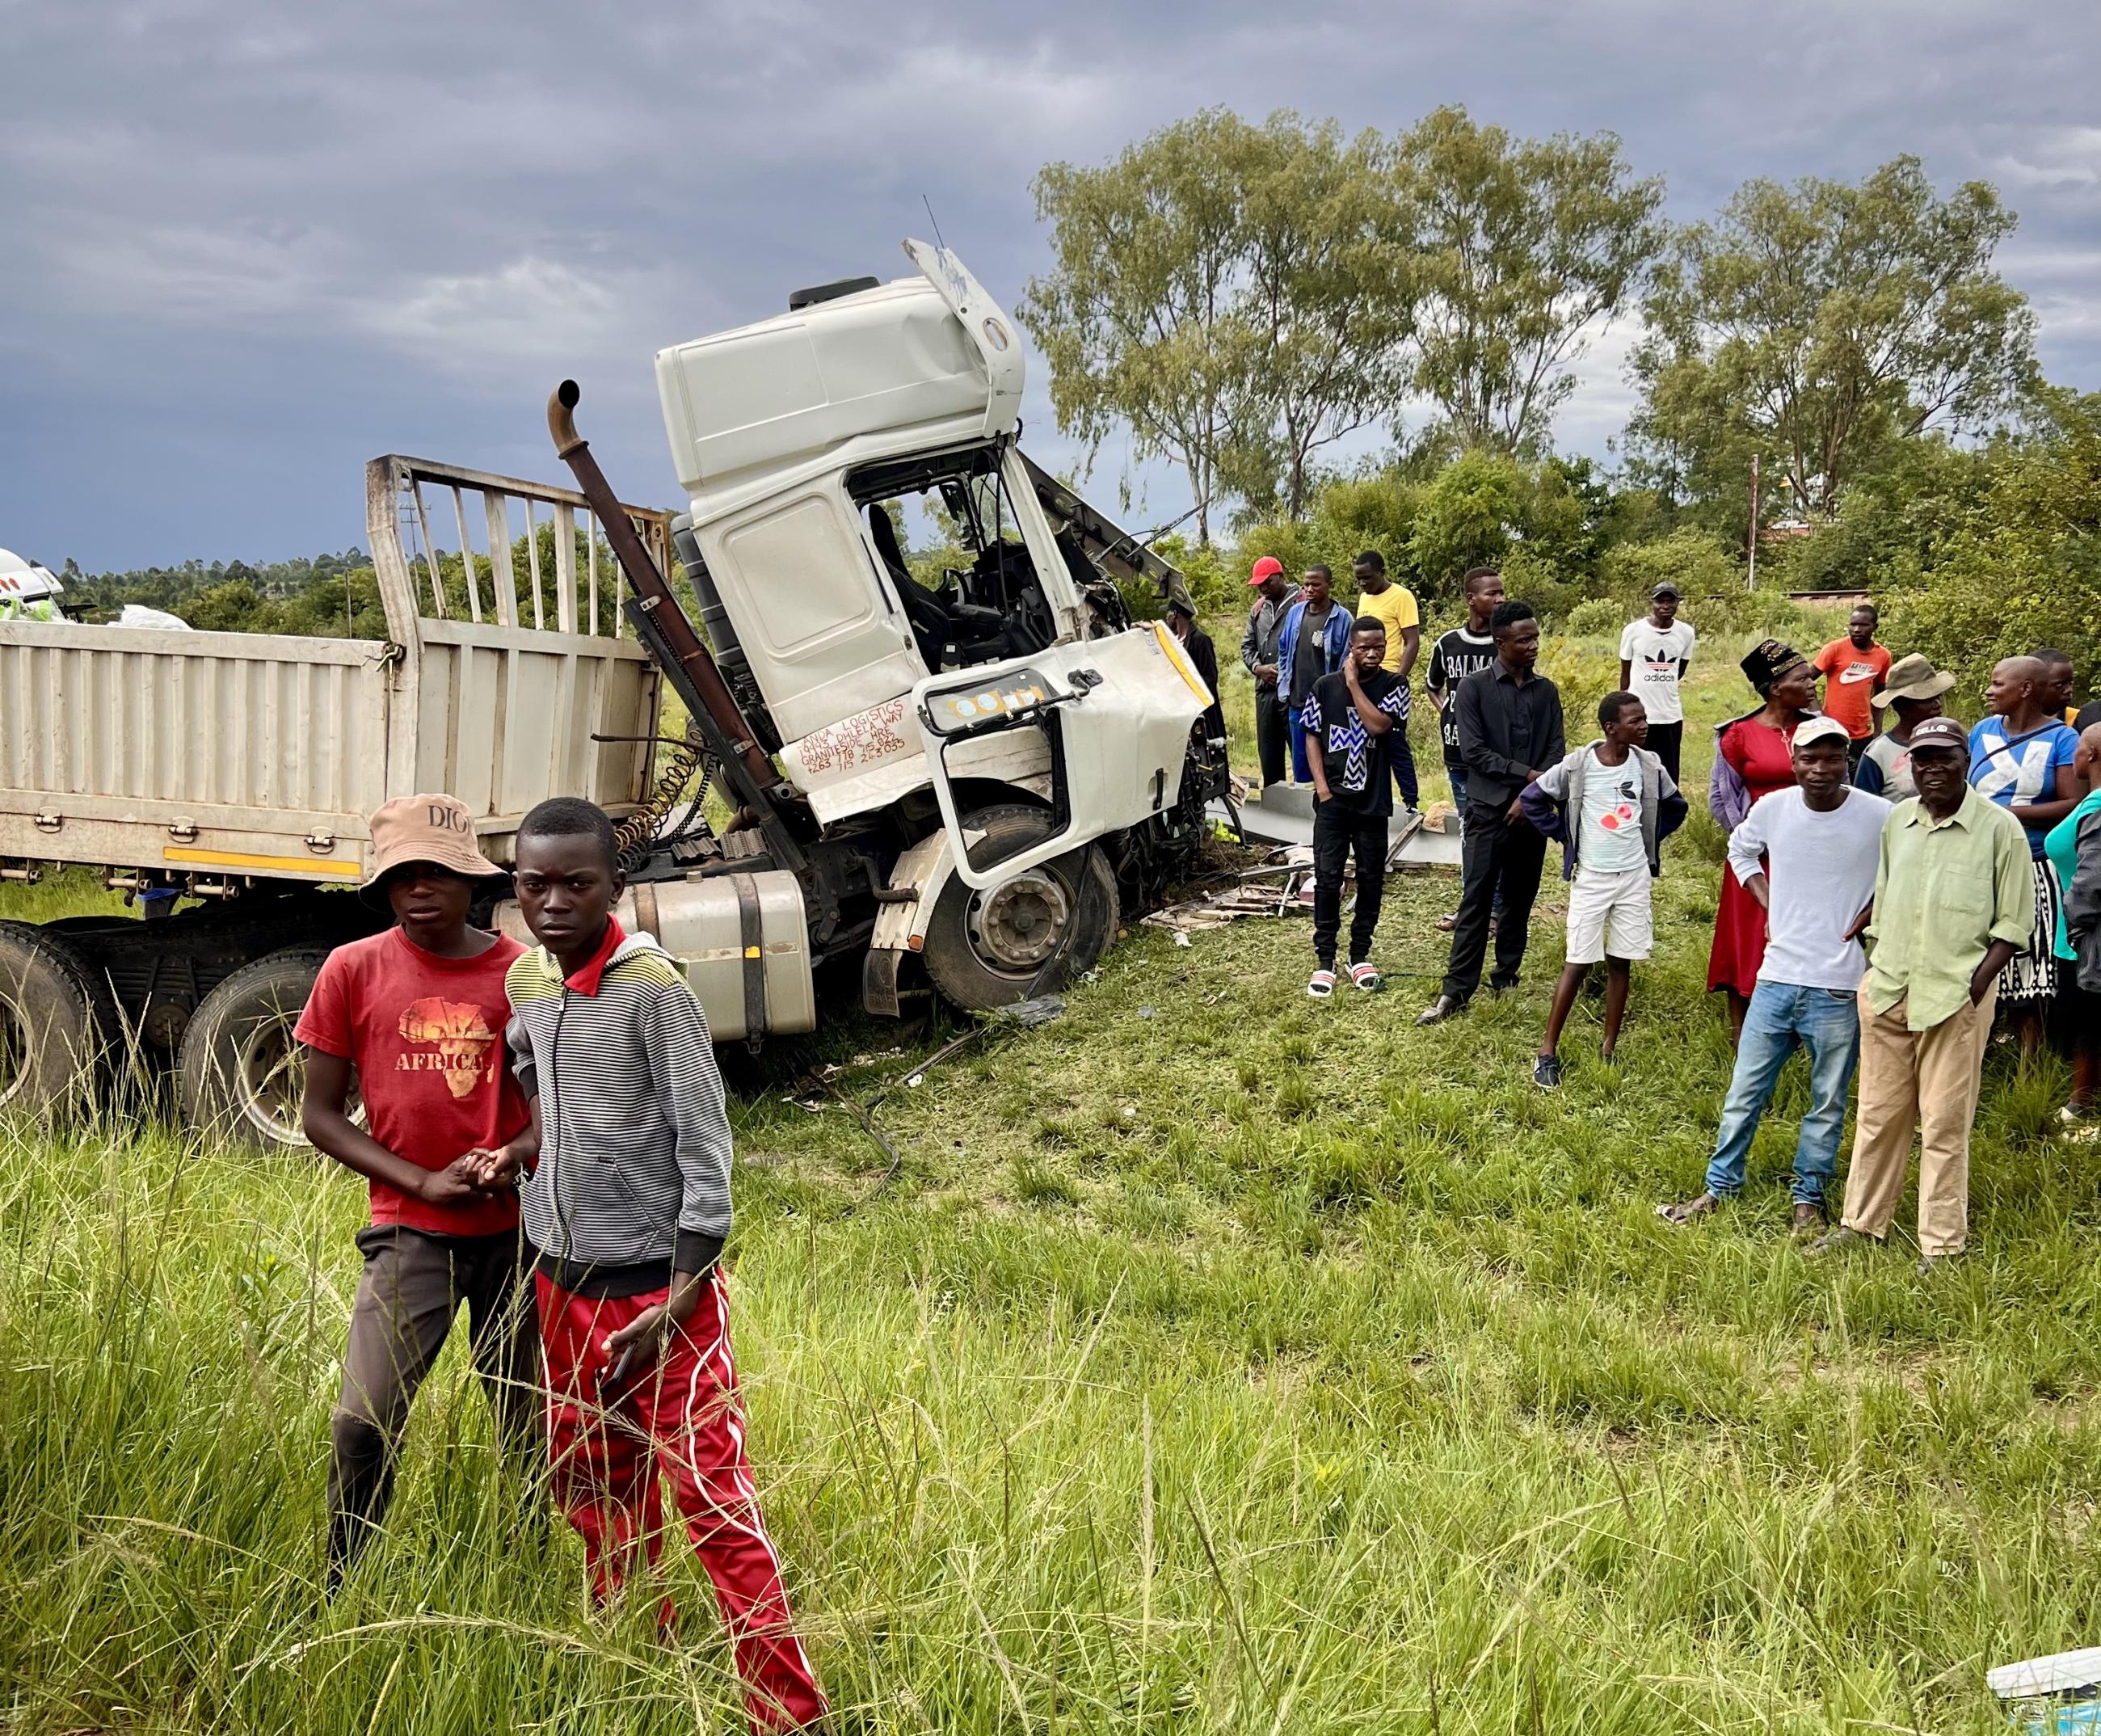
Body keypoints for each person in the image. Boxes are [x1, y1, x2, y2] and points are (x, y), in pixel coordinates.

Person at [482, 798, 827, 1733]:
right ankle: (639, 1647)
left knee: (711, 1498)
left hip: (660, 1298)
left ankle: (787, 1712)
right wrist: (529, 1153)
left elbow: (705, 1153)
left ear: (615, 889)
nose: (552, 902)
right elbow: (533, 1069)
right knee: (594, 1480)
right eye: (532, 884)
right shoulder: (527, 987)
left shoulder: (655, 988)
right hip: (561, 1282)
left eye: (575, 884)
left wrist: (680, 1300)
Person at [294, 794, 537, 1588]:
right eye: (402, 875)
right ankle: (344, 1581)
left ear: (473, 879)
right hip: (409, 1232)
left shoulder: (521, 976)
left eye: (437, 871)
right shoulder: (352, 969)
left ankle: (530, 1569)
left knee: (527, 1422)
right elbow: (321, 1117)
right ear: (384, 887)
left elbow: (558, 1110)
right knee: (362, 1421)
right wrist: (424, 1182)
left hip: (518, 1235)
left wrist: (508, 1156)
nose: (419, 888)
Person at [1808, 717, 2034, 1272]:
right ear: (1910, 764)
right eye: (1923, 759)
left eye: (1945, 759)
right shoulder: (1899, 822)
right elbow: (1884, 902)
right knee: (1879, 1116)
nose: (1933, 769)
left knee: (1943, 1124)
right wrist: (1874, 968)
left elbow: (2014, 926)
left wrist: (1975, 987)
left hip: (1955, 999)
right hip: (1888, 990)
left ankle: (1940, 1243)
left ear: (1967, 762)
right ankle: (1862, 1225)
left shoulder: (1999, 829)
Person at [1657, 718, 1890, 1235]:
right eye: (1809, 758)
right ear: (1795, 762)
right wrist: (1765, 897)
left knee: (1826, 1101)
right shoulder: (1773, 808)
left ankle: (1807, 1199)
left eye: (1832, 758)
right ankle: (1719, 1187)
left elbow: (1907, 868)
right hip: (1776, 977)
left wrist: (1876, 907)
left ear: (1847, 760)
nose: (1820, 769)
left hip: (1839, 984)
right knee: (1745, 1091)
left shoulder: (1879, 815)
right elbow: (1740, 850)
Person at [1521, 691, 1686, 1085]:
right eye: (1635, 721)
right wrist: (1564, 835)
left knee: (1620, 960)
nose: (1644, 725)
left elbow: (1675, 806)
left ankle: (1609, 1046)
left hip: (1633, 877)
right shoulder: (1579, 766)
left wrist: (1650, 840)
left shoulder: (1649, 765)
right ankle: (1547, 1052)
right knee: (1577, 962)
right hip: (1593, 878)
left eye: (1645, 718)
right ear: (1611, 728)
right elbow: (1533, 798)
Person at [1418, 600, 1564, 1025]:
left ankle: (1506, 976)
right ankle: (1456, 991)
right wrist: (1527, 780)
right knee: (1477, 899)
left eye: (1536, 637)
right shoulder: (1473, 689)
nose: (1534, 645)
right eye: (1524, 639)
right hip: (1487, 812)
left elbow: (1558, 751)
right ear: (1501, 643)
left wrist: (1532, 793)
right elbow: (1474, 753)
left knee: (1520, 898)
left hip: (1532, 812)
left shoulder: (1546, 692)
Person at [1708, 640, 1821, 1046]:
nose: (1811, 683)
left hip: (1812, 853)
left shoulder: (1818, 729)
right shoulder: (1738, 735)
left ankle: (1801, 1028)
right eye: (1801, 678)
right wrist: (1755, 839)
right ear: (1775, 688)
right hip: (1759, 857)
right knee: (1750, 940)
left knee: (1806, 938)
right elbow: (1721, 799)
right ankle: (1745, 1034)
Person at [1968, 655, 2080, 1057]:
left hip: (2032, 863)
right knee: (1977, 954)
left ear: (2026, 689)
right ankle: (1979, 1053)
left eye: (1999, 684)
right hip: (1978, 862)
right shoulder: (1981, 731)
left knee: (2029, 964)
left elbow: (2073, 803)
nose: (1990, 691)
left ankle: (2029, 1068)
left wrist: (2003, 815)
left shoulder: (2062, 739)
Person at [1301, 618, 1409, 997]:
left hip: (1373, 802)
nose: (1372, 653)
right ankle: (1325, 960)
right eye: (1364, 647)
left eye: (1379, 646)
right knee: (1328, 878)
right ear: (1350, 647)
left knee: (1371, 878)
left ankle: (1359, 955)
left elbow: (1380, 725)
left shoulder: (1395, 686)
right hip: (1333, 801)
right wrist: (1323, 790)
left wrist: (1352, 684)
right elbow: (1311, 737)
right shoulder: (1323, 687)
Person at [1425, 566, 1506, 931]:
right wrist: (1449, 713)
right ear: (1471, 599)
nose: (1500, 599)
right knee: (1470, 833)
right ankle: (1474, 909)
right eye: (1492, 593)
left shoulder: (1505, 642)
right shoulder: (1448, 644)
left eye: (1502, 593)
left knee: (1496, 833)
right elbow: (1433, 685)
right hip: (1458, 755)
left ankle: (1495, 911)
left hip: (1496, 757)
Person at [2044, 722, 2101, 1134]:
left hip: (2089, 937)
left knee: (2092, 1024)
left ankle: (2082, 1108)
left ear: (2093, 755)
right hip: (2078, 938)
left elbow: (2094, 879)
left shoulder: (2098, 807)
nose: (2074, 755)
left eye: (2079, 747)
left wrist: (2077, 927)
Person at [1350, 550, 1421, 813]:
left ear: (1382, 572)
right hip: (1366, 679)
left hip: (1389, 678)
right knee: (1364, 742)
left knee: (1394, 741)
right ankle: (1369, 798)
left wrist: (1397, 681)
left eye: (1367, 578)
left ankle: (1411, 802)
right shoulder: (1364, 598)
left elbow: (1412, 641)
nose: (1363, 584)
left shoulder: (1402, 597)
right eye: (1359, 579)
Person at [1616, 583, 1696, 785]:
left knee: (1667, 776)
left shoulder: (1686, 633)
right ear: (1652, 603)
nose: (1665, 606)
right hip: (1639, 715)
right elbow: (1625, 673)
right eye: (1660, 601)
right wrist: (1622, 708)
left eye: (1671, 601)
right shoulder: (1634, 631)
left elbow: (1678, 670)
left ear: (1678, 603)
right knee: (1635, 772)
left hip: (1669, 715)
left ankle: (1666, 815)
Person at [1278, 566, 1352, 783]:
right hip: (1298, 701)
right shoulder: (1295, 613)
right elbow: (1284, 649)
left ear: (1329, 584)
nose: (1310, 589)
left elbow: (1347, 659)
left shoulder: (1342, 618)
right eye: (1306, 584)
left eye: (1316, 584)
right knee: (1301, 763)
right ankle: (1304, 811)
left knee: (1330, 761)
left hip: (1327, 705)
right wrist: (1284, 684)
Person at [1854, 653, 1956, 801]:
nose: (1938, 704)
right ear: (1901, 706)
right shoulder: (1879, 754)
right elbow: (1864, 807)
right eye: (1927, 699)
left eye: (1938, 696)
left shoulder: (1953, 740)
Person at [1813, 604, 1893, 769]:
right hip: (1833, 731)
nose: (1857, 629)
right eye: (1853, 624)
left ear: (1874, 627)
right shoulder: (1834, 649)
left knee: (1859, 781)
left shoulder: (1883, 656)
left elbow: (1880, 697)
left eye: (1863, 625)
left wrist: (1877, 730)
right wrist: (1820, 715)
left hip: (1864, 733)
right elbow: (1804, 681)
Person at [1240, 556, 1295, 787]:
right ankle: (1274, 805)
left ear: (1280, 577)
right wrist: (1258, 668)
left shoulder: (1300, 602)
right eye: (1259, 584)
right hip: (1265, 693)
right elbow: (1247, 645)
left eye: (1268, 582)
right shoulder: (1258, 609)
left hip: (1293, 692)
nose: (1263, 588)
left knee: (1301, 752)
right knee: (1269, 752)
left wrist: (1286, 671)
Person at [1166, 598, 1227, 748]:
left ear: (1174, 614)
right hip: (1183, 714)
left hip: (1203, 715)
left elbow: (1210, 678)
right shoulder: (1174, 642)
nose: (1166, 618)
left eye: (1168, 613)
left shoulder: (1200, 640)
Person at [2036, 647, 2078, 726]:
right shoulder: (2008, 722)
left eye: (2070, 683)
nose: (2069, 690)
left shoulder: (2078, 719)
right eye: (2059, 685)